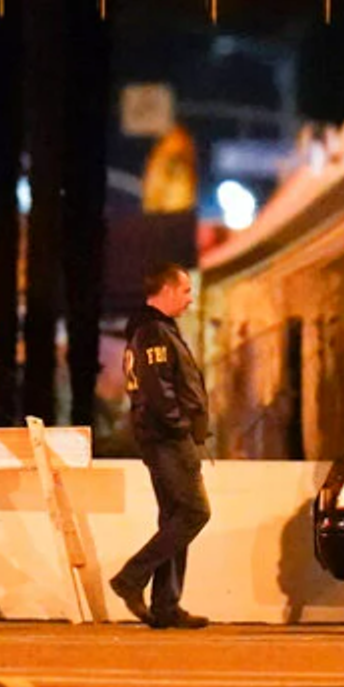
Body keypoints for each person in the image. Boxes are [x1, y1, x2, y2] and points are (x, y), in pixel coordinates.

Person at [109, 263, 211, 630]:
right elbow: (158, 389)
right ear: (166, 290)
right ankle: (131, 578)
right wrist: (180, 426)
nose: (189, 299)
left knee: (174, 518)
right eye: (185, 291)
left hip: (162, 437)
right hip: (167, 439)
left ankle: (166, 604)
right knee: (194, 513)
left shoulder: (152, 328)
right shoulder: (153, 331)